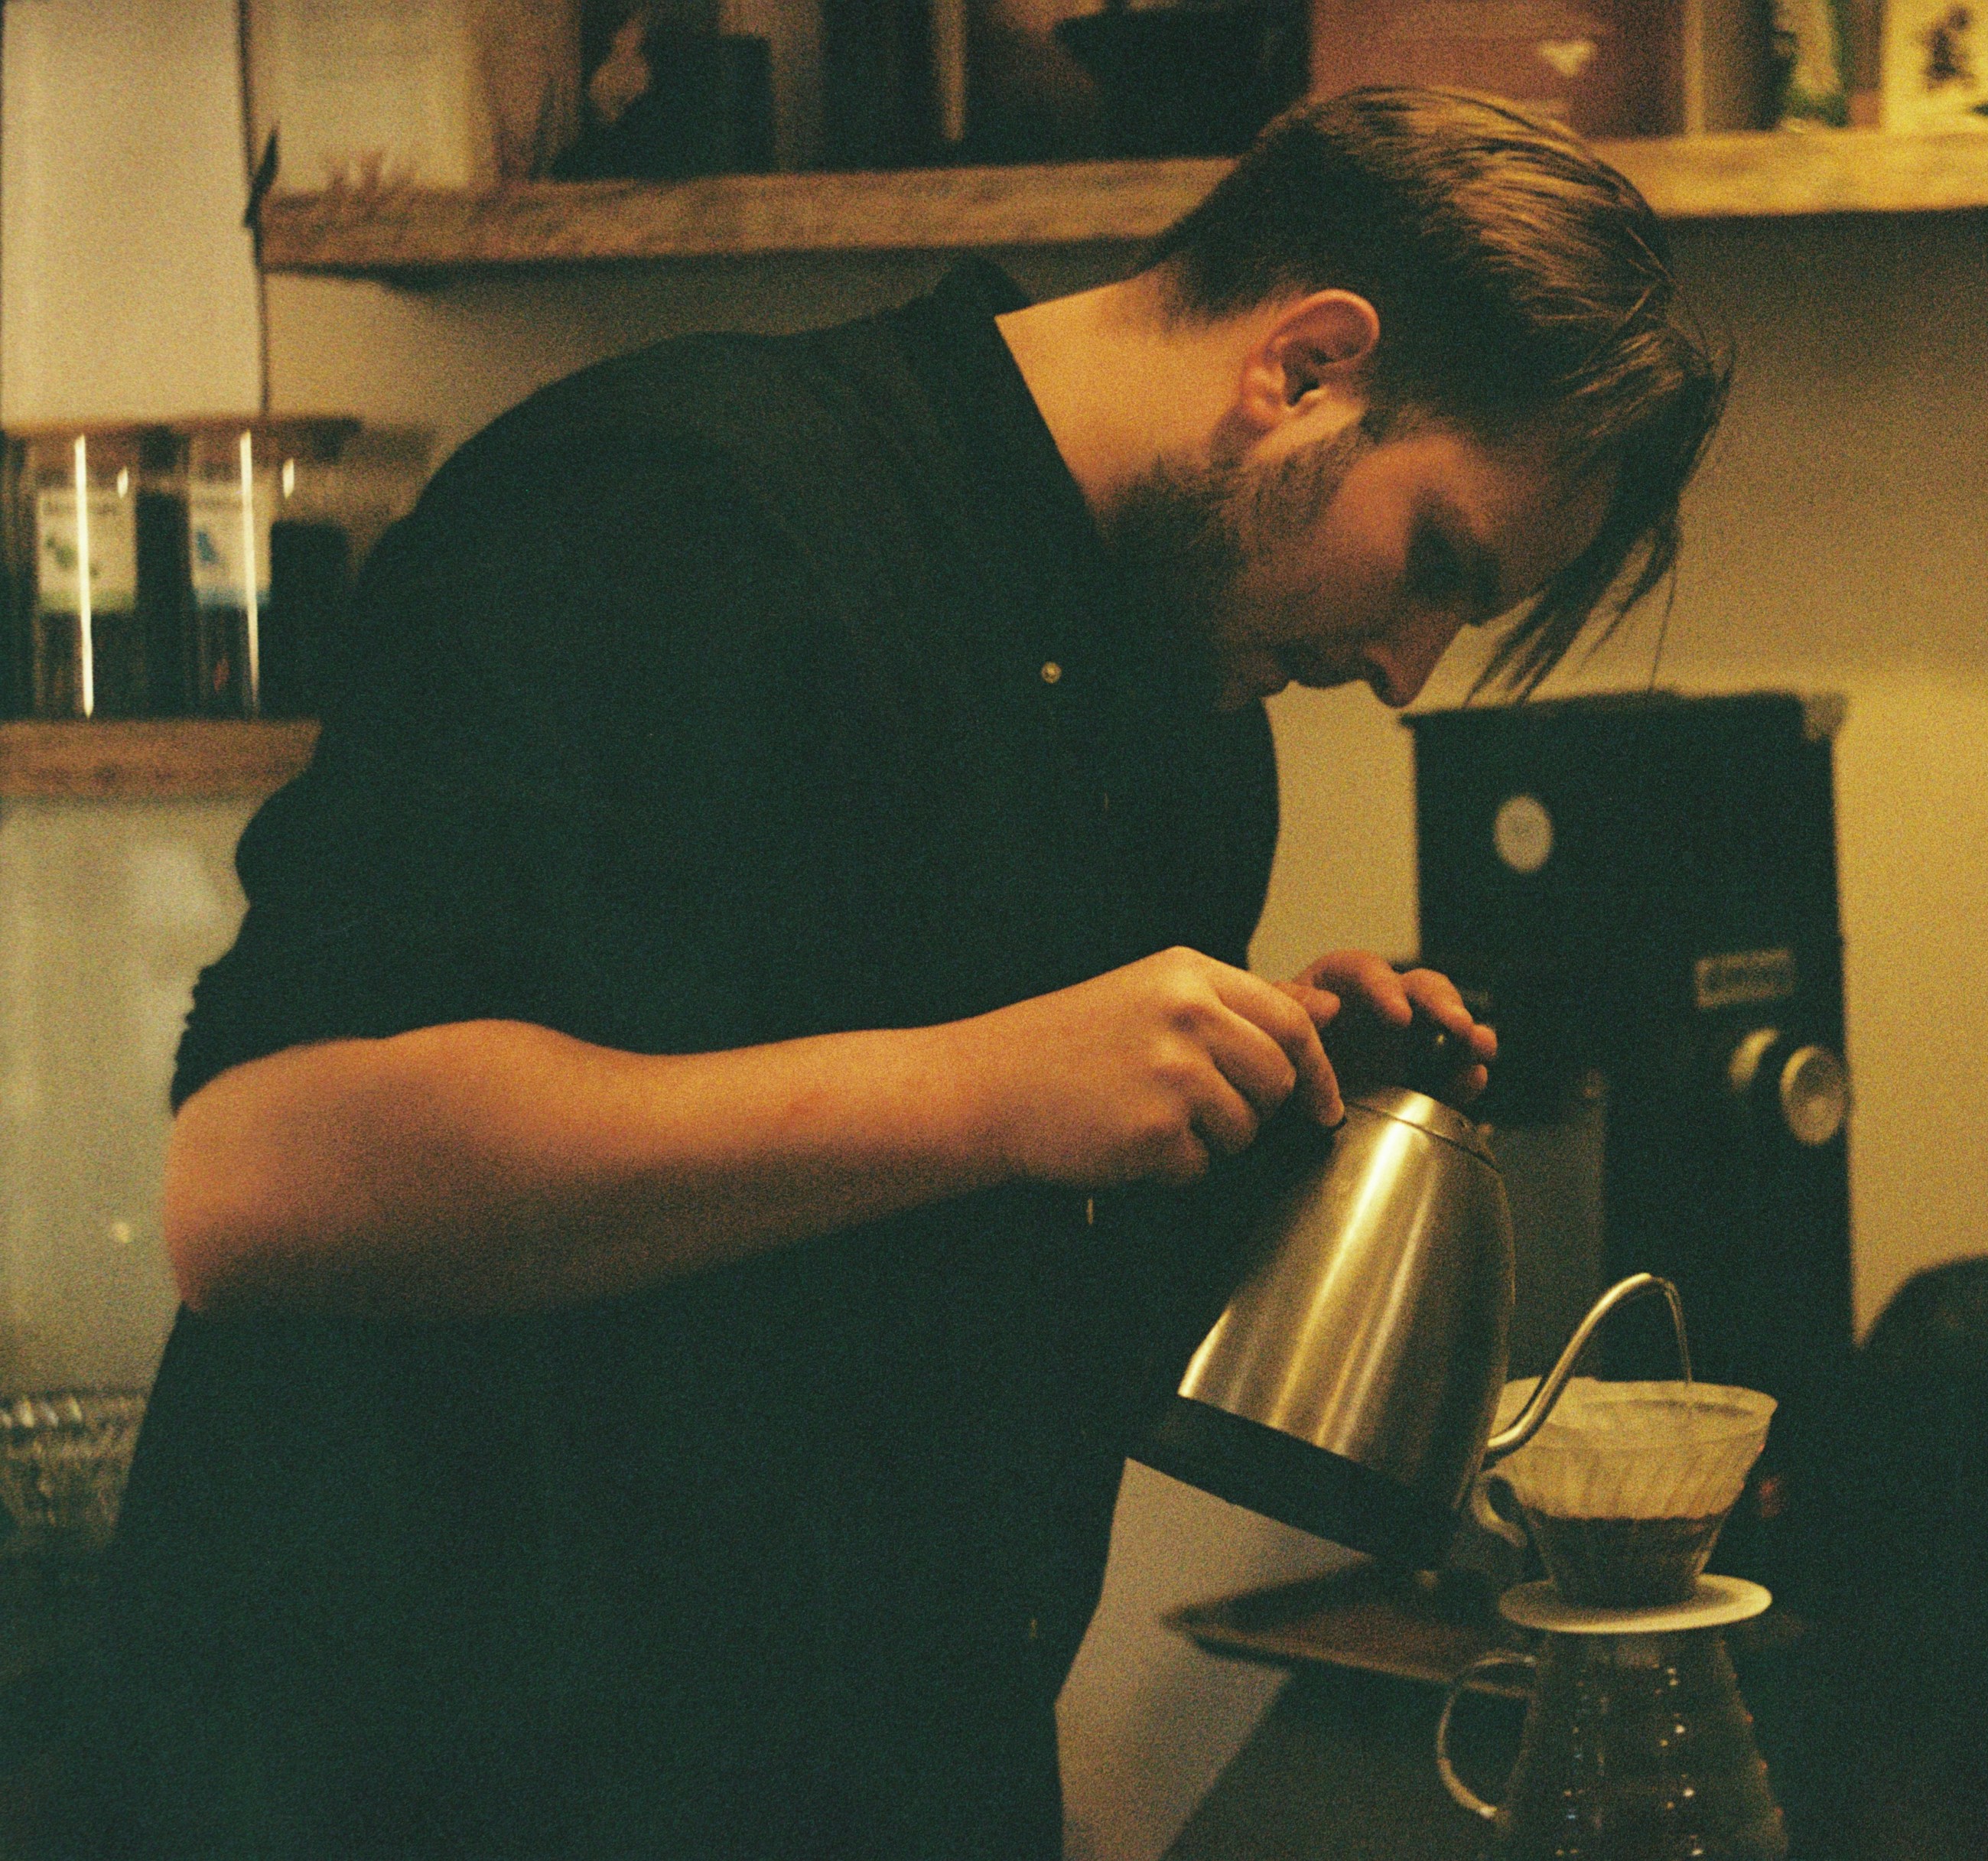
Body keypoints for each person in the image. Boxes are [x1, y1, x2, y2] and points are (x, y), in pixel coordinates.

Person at [67, 86, 1727, 1858]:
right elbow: (262, 1182)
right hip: (430, 1782)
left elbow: (912, 1303)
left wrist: (1250, 1114)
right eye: (1436, 565)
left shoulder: (1185, 723)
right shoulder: (691, 505)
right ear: (1306, 364)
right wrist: (985, 1087)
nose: (1406, 667)